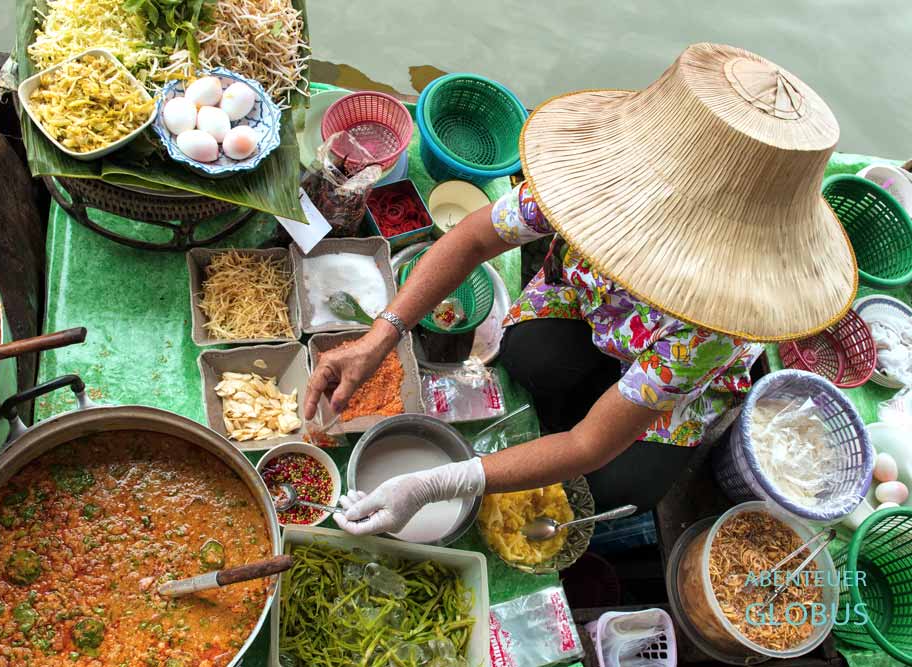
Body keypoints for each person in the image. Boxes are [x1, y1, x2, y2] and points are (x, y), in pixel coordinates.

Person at [305, 43, 857, 536]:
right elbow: (472, 240)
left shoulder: (718, 323)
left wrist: (434, 484)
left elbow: (588, 445)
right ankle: (598, 395)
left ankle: (615, 404)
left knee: (624, 482)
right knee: (528, 354)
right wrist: (377, 340)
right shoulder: (591, 185)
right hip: (591, 305)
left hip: (673, 366)